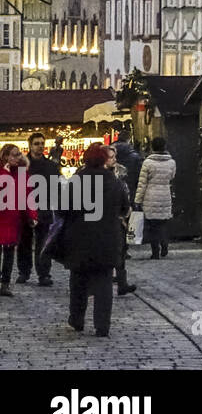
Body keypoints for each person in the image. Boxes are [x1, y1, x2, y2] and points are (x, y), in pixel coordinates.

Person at [61, 143, 128, 337]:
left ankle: (77, 319)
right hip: (107, 238)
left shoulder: (76, 180)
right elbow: (124, 206)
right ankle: (102, 325)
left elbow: (63, 209)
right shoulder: (114, 181)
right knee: (104, 281)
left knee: (78, 280)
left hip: (79, 238)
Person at [18, 133, 59, 287]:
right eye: (36, 143)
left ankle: (43, 274)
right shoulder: (22, 166)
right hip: (25, 209)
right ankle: (24, 272)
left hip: (44, 208)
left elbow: (56, 188)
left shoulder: (50, 166)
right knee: (24, 242)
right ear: (30, 145)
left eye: (42, 143)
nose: (40, 146)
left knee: (43, 244)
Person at [0, 144, 36, 297]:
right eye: (13, 155)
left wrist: (32, 215)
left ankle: (5, 284)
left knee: (9, 253)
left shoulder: (22, 174)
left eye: (18, 154)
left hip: (13, 218)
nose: (17, 157)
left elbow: (28, 196)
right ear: (5, 156)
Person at [134, 138, 177, 260]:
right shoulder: (171, 162)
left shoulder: (147, 163)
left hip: (150, 195)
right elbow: (172, 176)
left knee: (152, 226)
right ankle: (164, 245)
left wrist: (138, 200)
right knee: (162, 223)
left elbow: (142, 183)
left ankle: (155, 252)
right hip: (165, 194)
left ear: (152, 147)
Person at [104, 146, 137, 296]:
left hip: (118, 220)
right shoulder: (94, 176)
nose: (114, 160)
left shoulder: (120, 173)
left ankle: (122, 283)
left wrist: (125, 215)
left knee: (121, 251)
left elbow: (125, 195)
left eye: (114, 157)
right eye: (111, 157)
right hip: (103, 221)